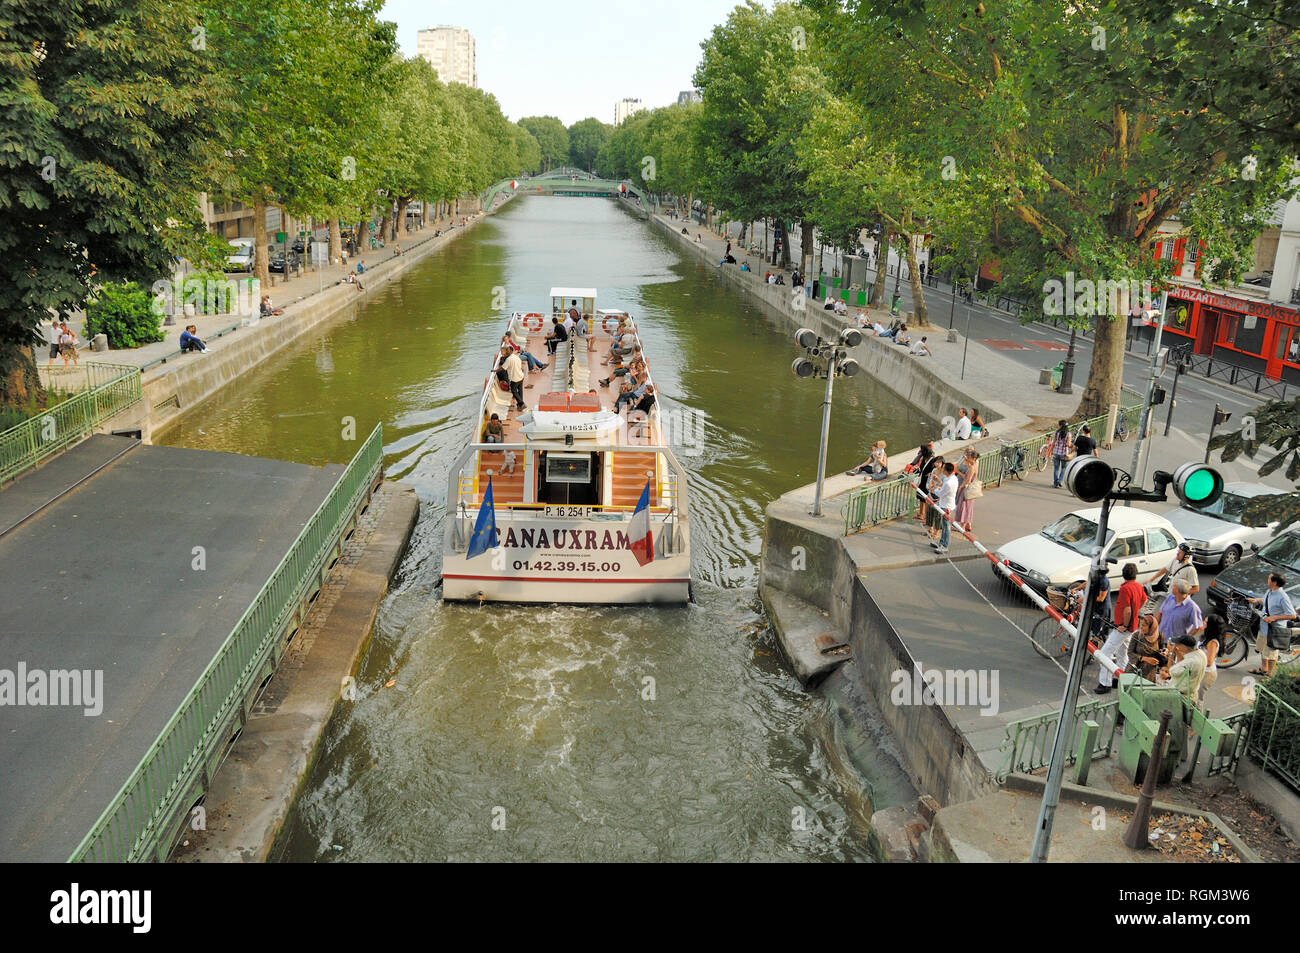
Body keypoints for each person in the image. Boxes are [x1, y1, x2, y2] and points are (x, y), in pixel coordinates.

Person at [1097, 562, 1147, 694]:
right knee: (1122, 653)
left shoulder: (1125, 589)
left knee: (1105, 653)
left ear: (1123, 574)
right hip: (1133, 627)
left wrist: (1124, 625)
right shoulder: (1138, 586)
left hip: (1123, 627)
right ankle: (1120, 679)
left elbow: (1127, 610)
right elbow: (1144, 600)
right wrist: (1137, 611)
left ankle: (1105, 682)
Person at [1247, 572, 1297, 677]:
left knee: (1272, 655)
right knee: (1263, 650)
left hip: (1274, 631)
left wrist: (1274, 617)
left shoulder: (1283, 597)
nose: (1267, 579)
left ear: (1274, 582)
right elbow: (1266, 601)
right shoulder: (1270, 591)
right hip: (1264, 627)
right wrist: (1256, 601)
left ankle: (1269, 676)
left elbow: (1292, 615)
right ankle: (1264, 669)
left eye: (1269, 578)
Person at [1155, 579, 1205, 650]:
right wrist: (1153, 629)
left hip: (1174, 644)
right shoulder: (1170, 598)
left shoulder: (1192, 607)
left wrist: (1183, 640)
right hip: (1160, 638)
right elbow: (1160, 613)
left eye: (1174, 586)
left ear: (1178, 590)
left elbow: (1198, 627)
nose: (1172, 586)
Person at [1160, 634, 1207, 703]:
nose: (1176, 645)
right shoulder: (1200, 654)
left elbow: (1171, 671)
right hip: (1192, 694)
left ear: (1184, 647)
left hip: (1182, 697)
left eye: (1178, 644)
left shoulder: (1190, 662)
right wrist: (1177, 652)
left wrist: (1171, 652)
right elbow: (1182, 663)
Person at [1127, 606, 1166, 682]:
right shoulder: (1137, 635)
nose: (1141, 627)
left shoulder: (1159, 636)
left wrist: (1163, 653)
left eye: (1144, 625)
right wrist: (1145, 659)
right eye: (1140, 624)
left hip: (1149, 674)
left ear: (1151, 627)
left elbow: (1161, 651)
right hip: (1134, 671)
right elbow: (1130, 653)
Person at [930, 462, 959, 555]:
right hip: (947, 504)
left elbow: (941, 493)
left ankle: (945, 545)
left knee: (946, 527)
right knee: (944, 525)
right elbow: (944, 485)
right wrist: (938, 481)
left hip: (946, 506)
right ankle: (942, 542)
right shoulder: (952, 478)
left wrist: (934, 489)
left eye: (943, 468)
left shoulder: (950, 482)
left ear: (946, 470)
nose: (942, 470)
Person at [1198, 613, 1225, 706]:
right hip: (1201, 670)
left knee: (1198, 698)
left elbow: (1209, 662)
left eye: (1205, 622)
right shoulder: (1206, 637)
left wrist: (1194, 662)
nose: (1203, 623)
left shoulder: (1212, 642)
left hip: (1207, 673)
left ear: (1210, 626)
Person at [953, 448, 979, 533]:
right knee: (967, 507)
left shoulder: (972, 467)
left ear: (973, 459)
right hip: (970, 489)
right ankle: (965, 524)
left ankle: (962, 526)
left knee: (963, 507)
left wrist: (961, 487)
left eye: (969, 457)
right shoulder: (974, 465)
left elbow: (968, 479)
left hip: (966, 488)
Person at [924, 455, 947, 539]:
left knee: (937, 515)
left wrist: (937, 486)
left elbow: (944, 485)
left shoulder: (944, 474)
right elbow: (930, 480)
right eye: (935, 462)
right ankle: (930, 529)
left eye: (938, 462)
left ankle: (937, 532)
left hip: (938, 496)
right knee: (929, 512)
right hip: (931, 493)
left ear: (942, 463)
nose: (936, 464)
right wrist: (930, 485)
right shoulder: (934, 470)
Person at [500, 345, 526, 411]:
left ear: (511, 351)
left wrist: (495, 370)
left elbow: (503, 368)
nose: (507, 352)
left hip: (515, 378)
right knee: (520, 390)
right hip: (521, 376)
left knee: (514, 391)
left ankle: (522, 403)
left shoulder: (509, 359)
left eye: (508, 351)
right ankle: (520, 405)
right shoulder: (517, 357)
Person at [1049, 419, 1071, 488]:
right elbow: (1069, 444)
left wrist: (1050, 451)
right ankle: (1059, 481)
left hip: (1056, 452)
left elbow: (1053, 443)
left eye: (1058, 425)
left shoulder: (1056, 432)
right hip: (1064, 454)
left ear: (1061, 426)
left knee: (1056, 468)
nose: (1057, 426)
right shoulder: (1068, 434)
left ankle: (1055, 483)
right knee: (1064, 468)